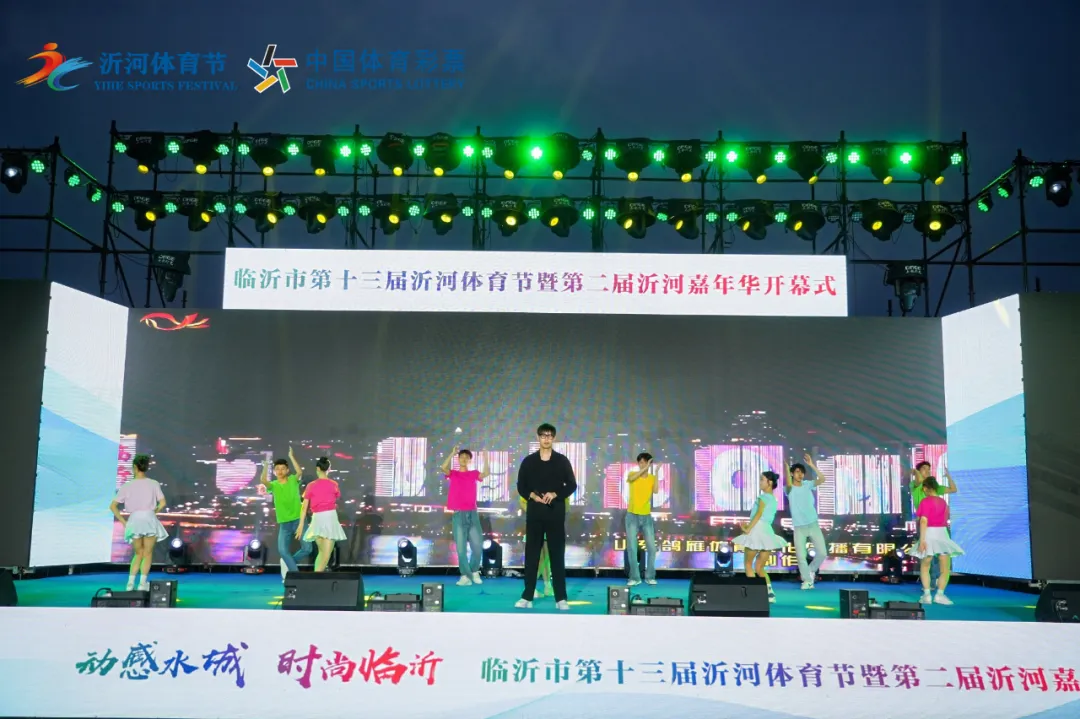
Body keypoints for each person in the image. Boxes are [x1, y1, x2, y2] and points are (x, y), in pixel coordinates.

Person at [515, 423, 578, 610]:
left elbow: (572, 485)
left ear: (554, 438)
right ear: (538, 438)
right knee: (532, 555)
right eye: (543, 435)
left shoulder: (562, 461)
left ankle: (561, 598)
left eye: (549, 436)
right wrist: (531, 496)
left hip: (555, 513)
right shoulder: (529, 461)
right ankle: (527, 596)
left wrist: (556, 494)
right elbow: (521, 485)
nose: (546, 439)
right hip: (535, 513)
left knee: (557, 555)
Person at [109, 454, 168, 591]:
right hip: (149, 518)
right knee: (147, 553)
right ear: (146, 467)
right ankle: (142, 584)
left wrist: (123, 522)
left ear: (134, 467)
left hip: (134, 520)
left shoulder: (127, 485)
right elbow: (162, 503)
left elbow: (113, 506)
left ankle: (130, 584)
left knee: (138, 553)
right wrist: (153, 512)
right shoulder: (153, 483)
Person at [733, 471, 788, 603]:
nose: (760, 482)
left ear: (770, 482)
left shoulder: (762, 498)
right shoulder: (774, 499)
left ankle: (754, 594)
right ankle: (770, 594)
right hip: (767, 532)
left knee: (748, 564)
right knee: (760, 568)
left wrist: (747, 528)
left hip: (757, 530)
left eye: (762, 479)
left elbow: (758, 515)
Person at [440, 446, 491, 586]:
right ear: (458, 459)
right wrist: (452, 453)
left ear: (469, 460)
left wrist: (486, 456)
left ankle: (474, 571)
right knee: (461, 548)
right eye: (461, 457)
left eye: (466, 457)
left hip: (472, 513)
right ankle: (465, 576)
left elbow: (486, 473)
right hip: (458, 514)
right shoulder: (453, 474)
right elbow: (443, 467)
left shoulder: (473, 474)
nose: (464, 459)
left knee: (477, 545)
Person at [911, 476, 964, 605]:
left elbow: (923, 521)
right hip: (942, 534)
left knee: (925, 566)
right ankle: (940, 594)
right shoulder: (943, 502)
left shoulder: (925, 501)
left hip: (929, 533)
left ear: (925, 488)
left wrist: (922, 540)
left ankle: (927, 595)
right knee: (945, 568)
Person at [261, 446, 312, 579]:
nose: (280, 471)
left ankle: (288, 563)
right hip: (284, 524)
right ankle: (295, 576)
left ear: (287, 470)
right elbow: (263, 481)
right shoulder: (274, 485)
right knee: (283, 551)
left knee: (308, 548)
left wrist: (291, 456)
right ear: (274, 471)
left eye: (283, 468)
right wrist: (266, 464)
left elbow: (299, 472)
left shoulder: (293, 480)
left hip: (298, 521)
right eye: (277, 469)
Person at [910, 461, 958, 586]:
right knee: (927, 554)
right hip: (924, 523)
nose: (927, 471)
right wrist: (915, 472)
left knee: (940, 554)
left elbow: (953, 489)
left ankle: (936, 581)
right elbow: (920, 481)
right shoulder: (916, 485)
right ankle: (929, 584)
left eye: (929, 469)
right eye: (924, 469)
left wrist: (948, 476)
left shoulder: (934, 487)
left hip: (938, 524)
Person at [296, 457, 347, 572]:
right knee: (325, 553)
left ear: (317, 468)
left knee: (322, 552)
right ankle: (317, 577)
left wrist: (300, 525)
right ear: (329, 469)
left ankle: (317, 576)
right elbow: (337, 498)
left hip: (317, 519)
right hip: (329, 518)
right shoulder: (334, 484)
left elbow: (304, 508)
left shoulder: (311, 485)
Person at [786, 453, 828, 589]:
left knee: (822, 553)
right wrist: (786, 469)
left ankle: (810, 571)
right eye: (797, 472)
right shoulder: (788, 489)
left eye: (802, 472)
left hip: (813, 524)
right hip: (799, 527)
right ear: (792, 474)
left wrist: (811, 465)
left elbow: (822, 479)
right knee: (800, 556)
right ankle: (807, 580)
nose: (800, 474)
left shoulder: (807, 484)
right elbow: (788, 484)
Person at [625, 452, 659, 587]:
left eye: (645, 462)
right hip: (632, 515)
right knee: (632, 548)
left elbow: (655, 491)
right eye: (640, 462)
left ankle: (650, 576)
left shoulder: (651, 478)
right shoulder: (632, 474)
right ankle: (634, 577)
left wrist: (656, 473)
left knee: (652, 548)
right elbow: (632, 478)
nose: (642, 464)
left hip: (646, 516)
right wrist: (645, 469)